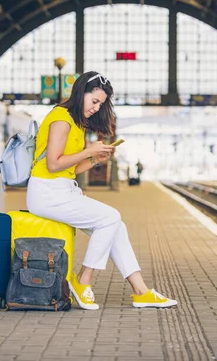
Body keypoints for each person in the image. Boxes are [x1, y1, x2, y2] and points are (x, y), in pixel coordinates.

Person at [27, 71, 177, 310]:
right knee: (110, 217)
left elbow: (71, 169)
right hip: (46, 192)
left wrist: (97, 159)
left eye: (101, 104)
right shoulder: (61, 117)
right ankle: (83, 280)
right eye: (94, 101)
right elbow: (53, 164)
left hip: (61, 190)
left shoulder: (75, 122)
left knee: (117, 226)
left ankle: (141, 291)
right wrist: (88, 151)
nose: (97, 108)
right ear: (80, 93)